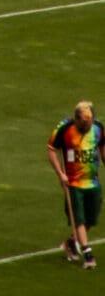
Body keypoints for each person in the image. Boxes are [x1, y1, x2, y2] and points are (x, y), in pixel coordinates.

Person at [49, 99, 103, 267]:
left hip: (92, 181)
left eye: (90, 122)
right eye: (84, 123)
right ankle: (87, 253)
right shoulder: (65, 129)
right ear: (77, 118)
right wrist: (60, 174)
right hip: (74, 183)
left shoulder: (98, 128)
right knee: (79, 218)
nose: (87, 126)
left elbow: (102, 146)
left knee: (91, 218)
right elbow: (51, 149)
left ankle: (71, 243)